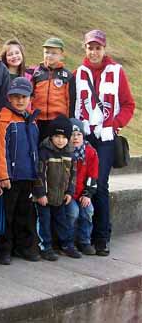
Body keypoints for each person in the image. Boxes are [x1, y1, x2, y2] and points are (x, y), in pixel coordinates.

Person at [73, 29, 135, 256]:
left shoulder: (116, 71)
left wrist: (115, 124)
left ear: (104, 49)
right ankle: (83, 236)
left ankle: (102, 237)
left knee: (99, 185)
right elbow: (72, 104)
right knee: (81, 184)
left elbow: (128, 104)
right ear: (85, 48)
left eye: (98, 48)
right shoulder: (78, 73)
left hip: (106, 138)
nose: (94, 52)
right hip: (85, 136)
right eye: (90, 47)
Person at [0, 77, 40, 265]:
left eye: (24, 97)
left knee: (25, 215)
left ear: (30, 98)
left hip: (27, 175)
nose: (20, 100)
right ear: (9, 98)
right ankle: (4, 249)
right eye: (16, 97)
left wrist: (36, 175)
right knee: (7, 216)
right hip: (11, 178)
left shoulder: (32, 121)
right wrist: (3, 176)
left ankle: (24, 247)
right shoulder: (3, 121)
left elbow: (34, 149)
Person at [33, 115, 82, 260]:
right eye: (57, 136)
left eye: (64, 137)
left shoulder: (70, 154)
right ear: (51, 136)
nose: (60, 140)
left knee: (62, 222)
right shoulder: (44, 152)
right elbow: (39, 175)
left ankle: (66, 244)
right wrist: (41, 194)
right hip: (45, 197)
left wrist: (70, 192)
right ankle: (45, 246)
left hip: (61, 196)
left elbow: (73, 175)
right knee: (44, 222)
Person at [31, 37, 75, 142]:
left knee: (53, 150)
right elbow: (31, 96)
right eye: (47, 52)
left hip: (57, 120)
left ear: (62, 55)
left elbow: (70, 101)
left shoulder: (67, 76)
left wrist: (69, 121)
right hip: (38, 120)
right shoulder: (36, 73)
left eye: (54, 53)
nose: (49, 55)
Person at [67, 118, 98, 255]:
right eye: (72, 134)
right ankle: (69, 242)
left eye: (78, 135)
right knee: (73, 212)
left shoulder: (90, 152)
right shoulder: (64, 152)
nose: (75, 138)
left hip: (82, 192)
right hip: (68, 193)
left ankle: (84, 241)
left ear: (83, 136)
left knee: (88, 211)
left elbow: (93, 176)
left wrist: (87, 194)